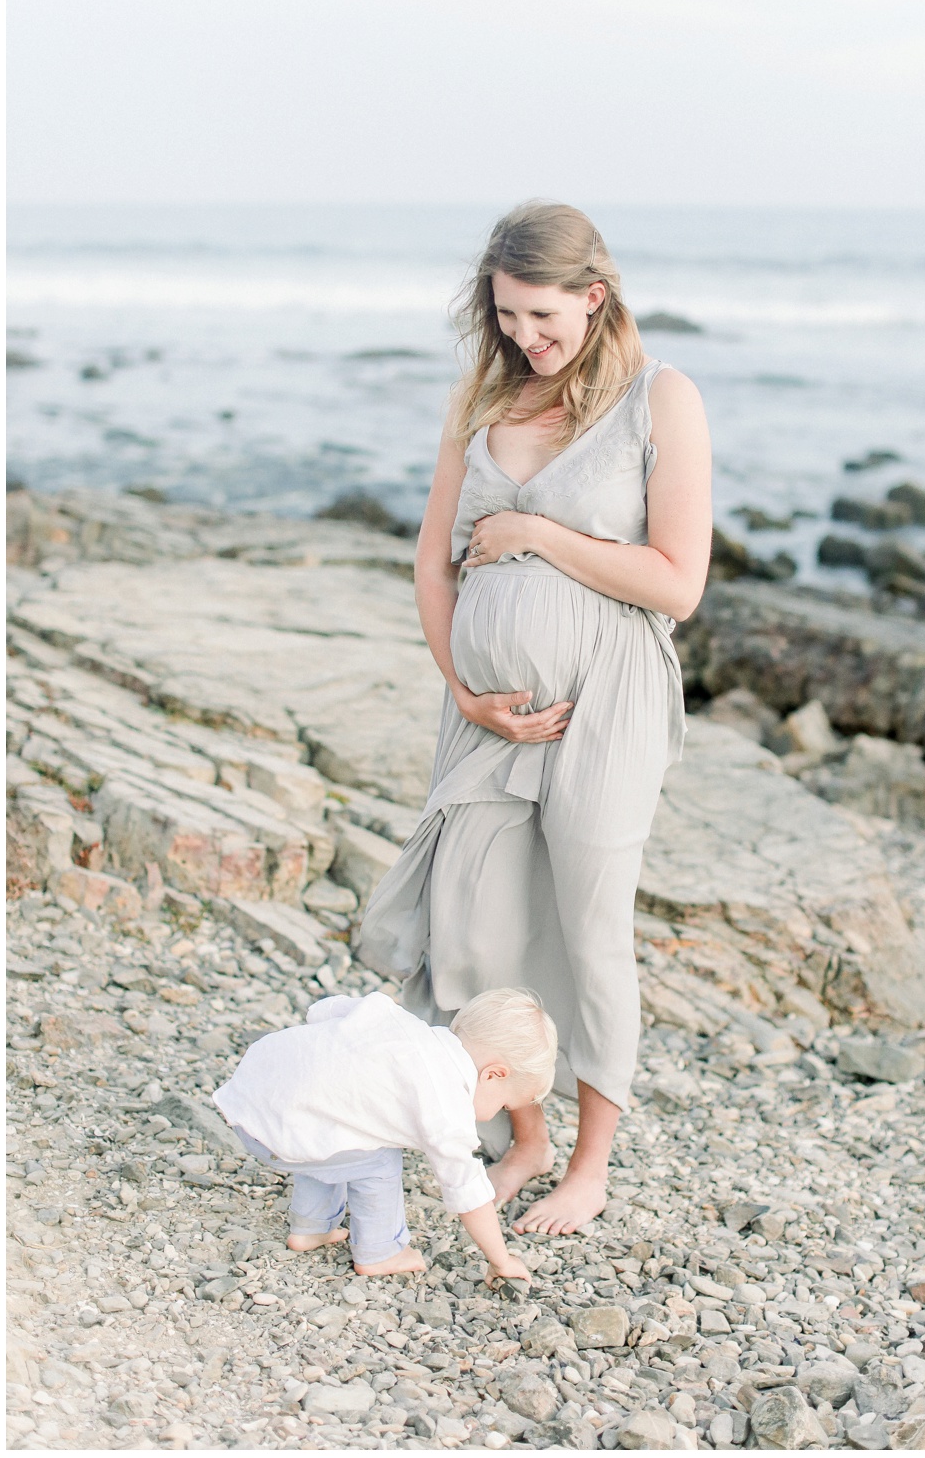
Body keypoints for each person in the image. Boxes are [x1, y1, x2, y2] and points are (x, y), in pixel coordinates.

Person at [358, 201, 712, 1236]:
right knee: (476, 922)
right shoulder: (481, 397)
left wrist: (533, 534)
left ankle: (591, 1162)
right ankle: (524, 1134)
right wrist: (464, 689)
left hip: (610, 700)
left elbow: (676, 582)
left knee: (592, 924)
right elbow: (433, 558)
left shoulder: (660, 400)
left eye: (544, 314)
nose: (525, 335)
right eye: (508, 314)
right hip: (487, 717)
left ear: (594, 296)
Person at [212, 986, 555, 1284]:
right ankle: (380, 1252)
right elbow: (468, 1193)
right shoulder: (447, 1108)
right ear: (494, 1074)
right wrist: (502, 1260)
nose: (499, 1113)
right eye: (506, 1105)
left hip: (251, 1095)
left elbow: (324, 1009)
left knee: (337, 1126)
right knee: (379, 1157)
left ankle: (311, 1228)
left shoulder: (395, 1018)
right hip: (279, 1131)